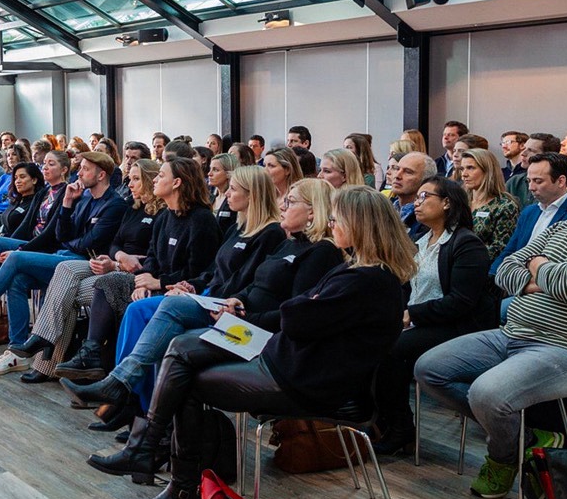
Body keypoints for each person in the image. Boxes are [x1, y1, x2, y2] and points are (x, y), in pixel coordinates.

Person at [91, 186, 414, 499]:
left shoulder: (364, 280)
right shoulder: (357, 271)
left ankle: (172, 474)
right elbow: (297, 310)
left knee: (185, 373)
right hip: (285, 357)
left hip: (300, 379)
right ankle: (155, 456)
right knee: (181, 348)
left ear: (360, 225)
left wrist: (297, 308)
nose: (331, 224)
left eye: (337, 219)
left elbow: (296, 317)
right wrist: (283, 308)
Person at [416, 159, 567, 499]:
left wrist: (539, 264)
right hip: (514, 334)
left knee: (487, 394)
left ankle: (503, 457)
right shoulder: (564, 229)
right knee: (429, 368)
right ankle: (527, 439)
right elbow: (505, 269)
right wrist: (543, 278)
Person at [73, 177, 342, 419]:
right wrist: (234, 299)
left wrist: (240, 311)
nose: (283, 204)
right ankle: (131, 405)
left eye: (291, 201)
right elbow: (248, 283)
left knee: (170, 326)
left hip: (254, 329)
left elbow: (294, 312)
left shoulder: (317, 251)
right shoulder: (287, 242)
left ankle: (134, 408)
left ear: (312, 211)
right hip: (231, 308)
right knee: (156, 310)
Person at [0, 152, 126, 364]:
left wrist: (63, 241)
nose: (80, 173)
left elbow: (88, 243)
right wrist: (67, 203)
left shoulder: (114, 204)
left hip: (85, 263)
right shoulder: (82, 197)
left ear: (101, 175)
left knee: (14, 258)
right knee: (17, 280)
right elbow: (62, 234)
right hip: (63, 255)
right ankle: (16, 351)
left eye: (85, 169)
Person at [48, 158, 220, 394]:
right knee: (107, 283)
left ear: (177, 183)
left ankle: (119, 386)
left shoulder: (202, 220)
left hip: (183, 291)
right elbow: (152, 257)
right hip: (154, 282)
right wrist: (144, 279)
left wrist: (157, 282)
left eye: (161, 175)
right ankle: (94, 355)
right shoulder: (165, 217)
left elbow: (198, 271)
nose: (156, 180)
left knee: (119, 294)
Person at [373, 177, 497, 454]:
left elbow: (461, 302)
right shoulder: (421, 241)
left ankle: (401, 427)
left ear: (446, 203)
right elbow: (408, 288)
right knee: (371, 339)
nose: (416, 203)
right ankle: (380, 421)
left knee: (390, 350)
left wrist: (410, 315)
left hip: (458, 326)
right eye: (416, 197)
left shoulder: (467, 244)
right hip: (424, 320)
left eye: (424, 196)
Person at [18, 159, 165, 383]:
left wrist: (117, 264)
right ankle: (46, 347)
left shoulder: (161, 214)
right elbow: (115, 243)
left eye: (136, 179)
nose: (130, 184)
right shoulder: (133, 208)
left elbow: (151, 258)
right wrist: (118, 257)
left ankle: (46, 361)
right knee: (64, 268)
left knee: (65, 292)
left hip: (132, 276)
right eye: (130, 178)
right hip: (111, 264)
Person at [490, 152, 567, 276]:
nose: (531, 187)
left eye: (538, 181)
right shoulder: (529, 212)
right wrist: (492, 276)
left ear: (561, 181)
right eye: (528, 181)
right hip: (513, 278)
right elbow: (510, 251)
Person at [459, 147, 519, 262]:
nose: (464, 174)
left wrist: (463, 257)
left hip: (482, 266)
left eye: (470, 168)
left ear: (487, 171)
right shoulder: (460, 202)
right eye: (462, 169)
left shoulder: (505, 206)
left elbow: (500, 248)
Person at [506, 132, 560, 209]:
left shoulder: (557, 183)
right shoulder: (514, 182)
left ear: (548, 155)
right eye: (524, 148)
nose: (523, 153)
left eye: (531, 150)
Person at [393, 152, 437, 238]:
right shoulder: (384, 207)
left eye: (408, 172)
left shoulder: (427, 219)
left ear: (426, 180)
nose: (397, 176)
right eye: (397, 169)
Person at [206, 153, 240, 232]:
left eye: (215, 170)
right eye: (210, 169)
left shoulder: (235, 200)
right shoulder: (208, 197)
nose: (209, 174)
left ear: (228, 173)